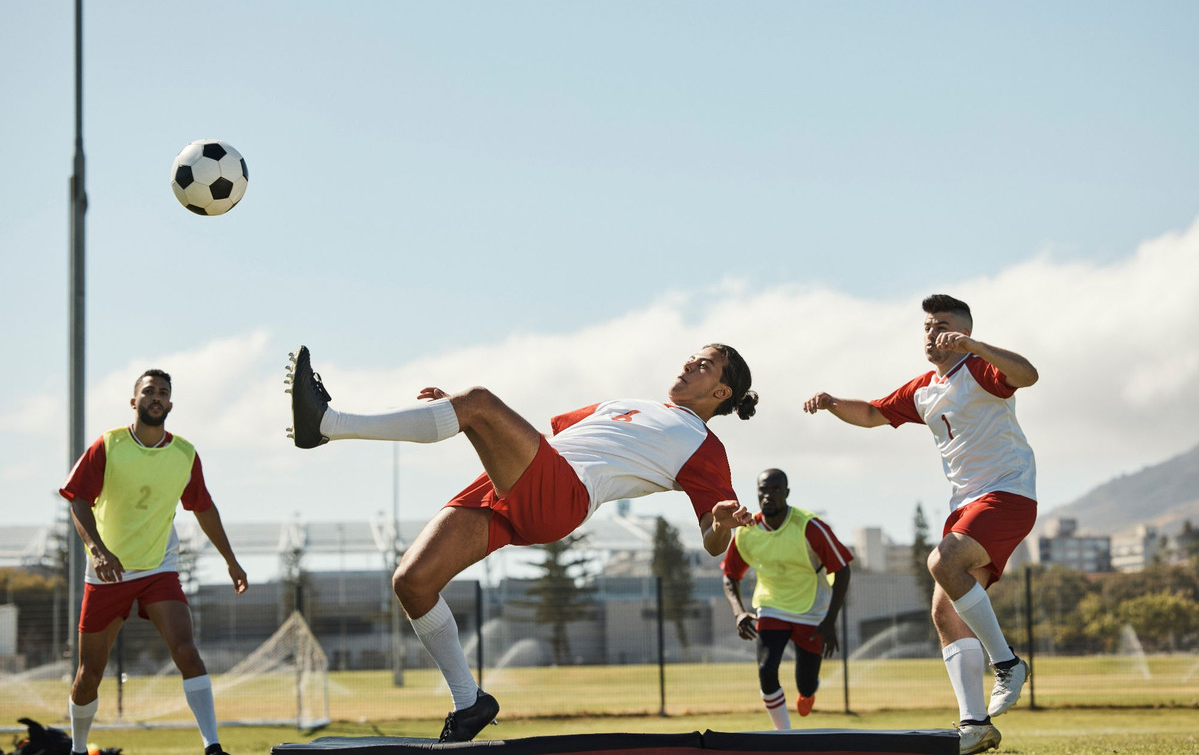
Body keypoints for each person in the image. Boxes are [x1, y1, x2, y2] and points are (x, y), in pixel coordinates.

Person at [287, 343, 759, 742]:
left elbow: (713, 543)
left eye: (704, 365)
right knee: (412, 583)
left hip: (561, 498)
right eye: (692, 357)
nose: (688, 364)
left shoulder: (704, 446)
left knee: (479, 400)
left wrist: (720, 521)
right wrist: (450, 414)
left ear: (721, 393)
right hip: (524, 479)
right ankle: (469, 702)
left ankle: (326, 423)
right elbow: (542, 440)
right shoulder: (624, 403)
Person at [803, 294, 1037, 755]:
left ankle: (1008, 664)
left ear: (963, 331)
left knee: (942, 560)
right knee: (945, 612)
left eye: (943, 325)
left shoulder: (981, 369)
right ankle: (975, 725)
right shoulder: (924, 388)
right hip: (967, 507)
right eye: (928, 326)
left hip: (1007, 495)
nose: (933, 332)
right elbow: (871, 414)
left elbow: (1028, 375)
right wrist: (831, 402)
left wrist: (976, 345)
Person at [60, 369, 248, 755]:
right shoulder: (108, 445)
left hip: (158, 566)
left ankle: (212, 746)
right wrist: (98, 550)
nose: (156, 397)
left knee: (185, 648)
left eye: (163, 392)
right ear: (134, 402)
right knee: (89, 674)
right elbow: (78, 498)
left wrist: (231, 560)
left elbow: (204, 507)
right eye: (148, 392)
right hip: (107, 572)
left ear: (171, 404)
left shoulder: (184, 454)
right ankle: (78, 750)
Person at [721, 468, 852, 729]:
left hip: (812, 610)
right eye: (763, 491)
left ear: (787, 493)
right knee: (766, 670)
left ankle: (807, 692)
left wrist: (830, 621)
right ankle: (784, 735)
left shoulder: (809, 526)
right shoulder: (747, 531)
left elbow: (843, 570)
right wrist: (739, 612)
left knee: (806, 681)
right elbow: (729, 576)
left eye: (775, 490)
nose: (768, 496)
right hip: (771, 607)